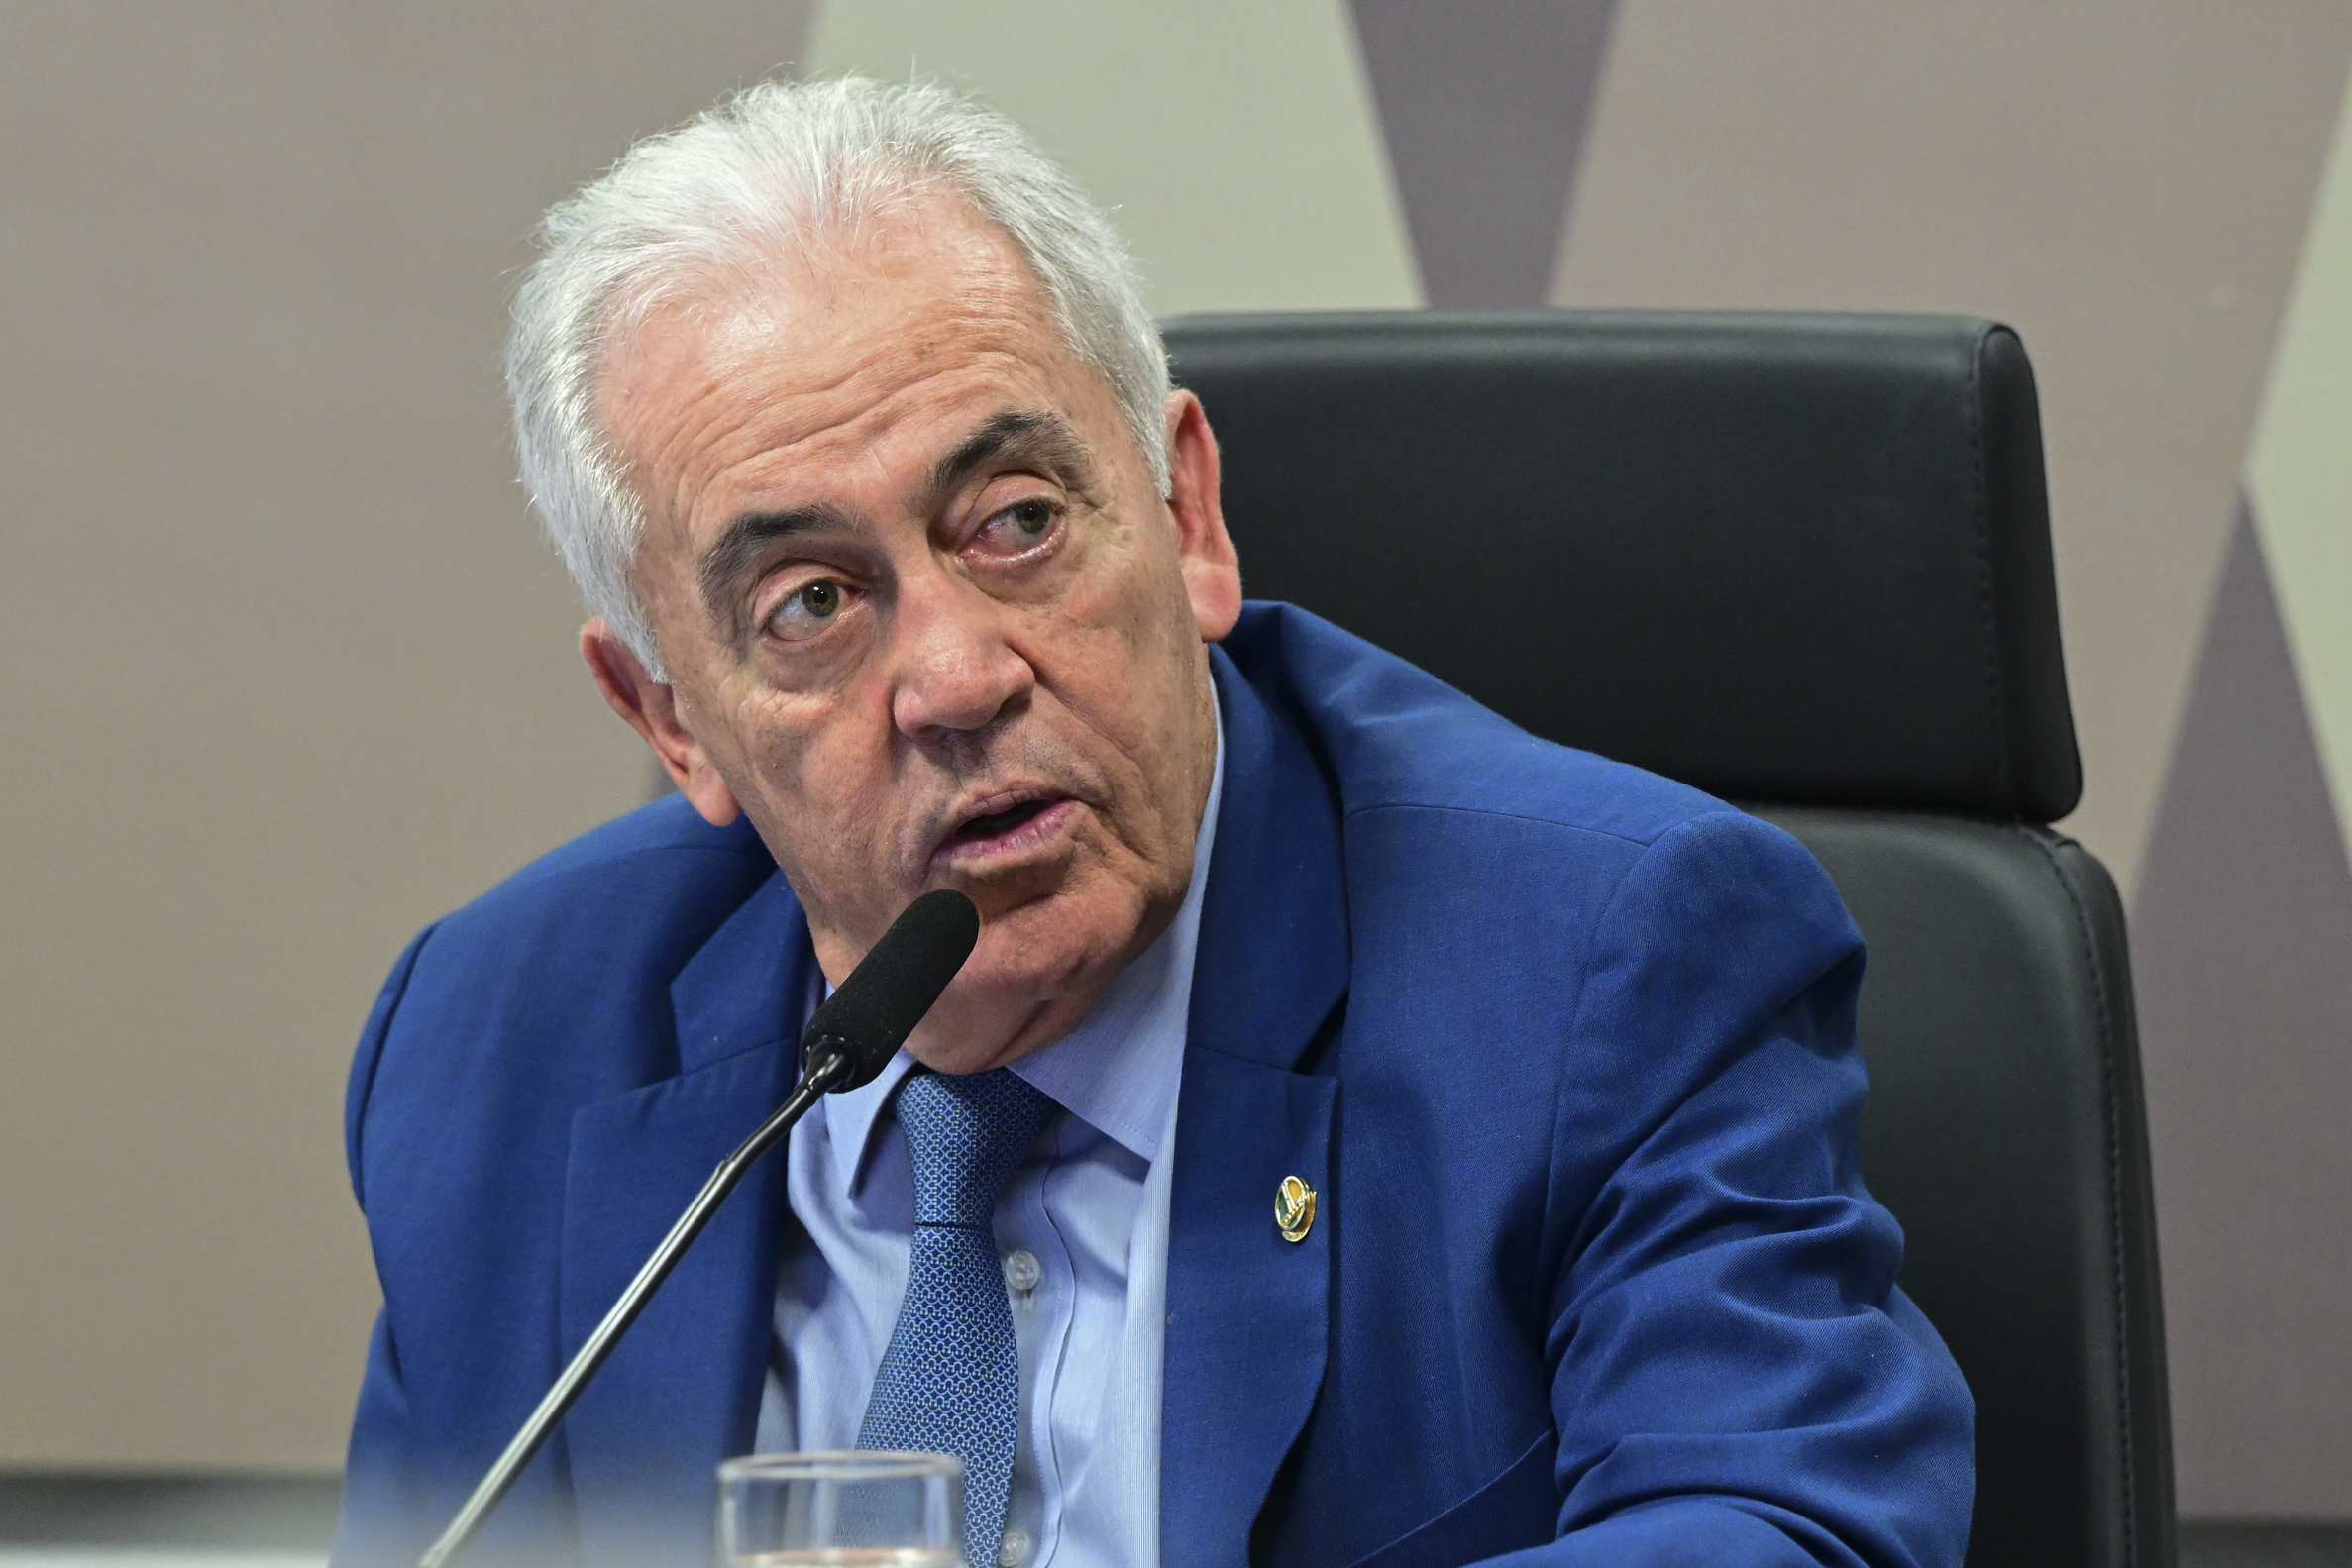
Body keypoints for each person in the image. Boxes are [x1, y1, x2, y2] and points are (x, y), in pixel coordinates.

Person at [334, 76, 1972, 1568]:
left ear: (1186, 516)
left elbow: (1775, 1529)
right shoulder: (496, 1051)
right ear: (669, 718)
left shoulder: (1599, 960)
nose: (957, 679)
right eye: (813, 602)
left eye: (1016, 522)